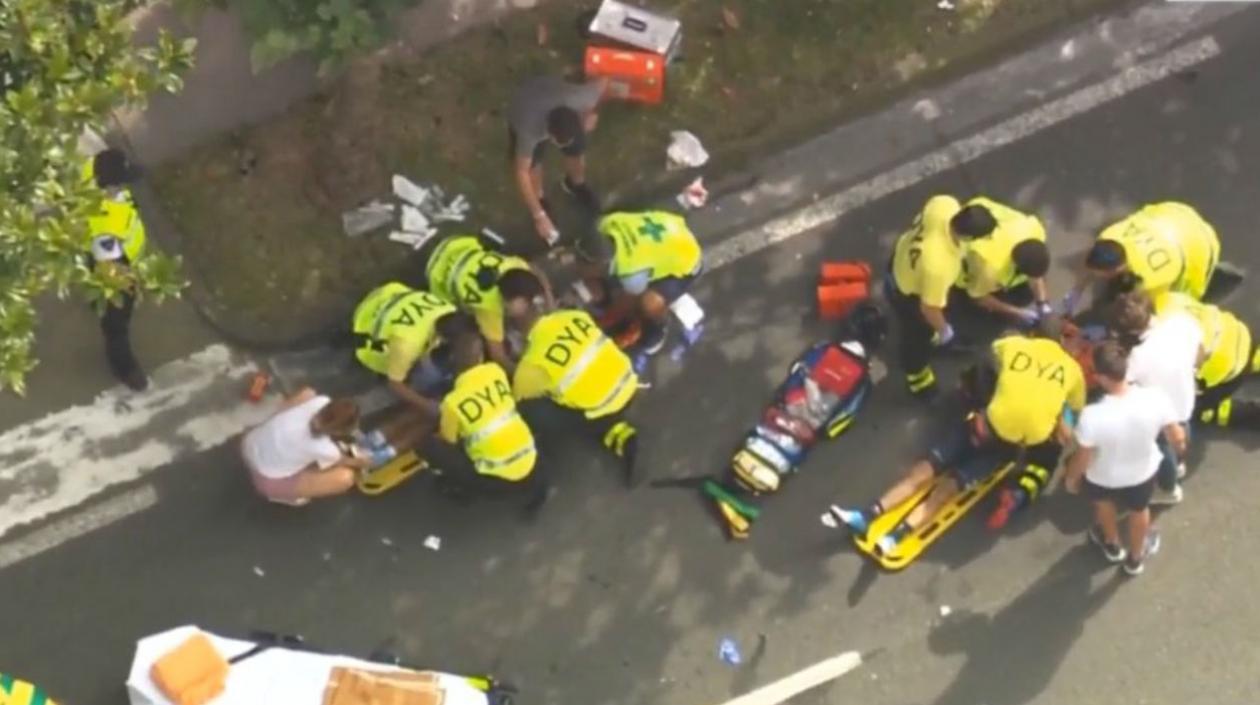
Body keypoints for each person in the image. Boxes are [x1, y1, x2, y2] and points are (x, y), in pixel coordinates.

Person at [825, 317, 1086, 551]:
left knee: (924, 470)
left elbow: (990, 357)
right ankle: (895, 537)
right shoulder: (1071, 370)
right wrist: (1059, 420)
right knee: (950, 487)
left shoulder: (1016, 346)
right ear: (1061, 341)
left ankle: (868, 514)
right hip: (1011, 443)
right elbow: (1074, 410)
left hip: (985, 423)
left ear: (1034, 335)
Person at [1063, 341, 1186, 576]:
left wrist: (1071, 480)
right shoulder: (1155, 398)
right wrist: (1179, 453)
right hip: (1142, 472)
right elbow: (1177, 436)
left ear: (1100, 377)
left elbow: (1082, 458)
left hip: (1102, 477)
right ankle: (1135, 559)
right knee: (1139, 510)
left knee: (1104, 505)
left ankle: (1112, 544)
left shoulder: (1092, 416)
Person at [511, 304, 641, 485]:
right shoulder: (573, 316)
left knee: (531, 411)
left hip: (601, 407)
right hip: (629, 384)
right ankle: (618, 435)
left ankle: (605, 429)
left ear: (518, 333)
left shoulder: (529, 366)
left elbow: (517, 398)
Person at [1107, 289, 1202, 506]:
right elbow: (1200, 350)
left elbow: (1123, 384)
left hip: (1159, 414)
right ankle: (1179, 464)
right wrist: (1191, 370)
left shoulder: (1137, 357)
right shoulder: (1182, 323)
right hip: (1185, 396)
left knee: (1162, 448)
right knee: (1184, 427)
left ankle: (1168, 488)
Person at [434, 334, 548, 514]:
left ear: (452, 361)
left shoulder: (452, 403)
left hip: (496, 480)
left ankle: (462, 491)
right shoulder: (495, 372)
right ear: (480, 355)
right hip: (532, 461)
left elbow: (449, 439)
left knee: (434, 448)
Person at [575, 209, 704, 355]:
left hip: (688, 260)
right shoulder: (605, 223)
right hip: (672, 232)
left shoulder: (630, 275)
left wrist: (601, 325)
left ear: (604, 265)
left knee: (648, 303)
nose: (580, 268)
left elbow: (628, 299)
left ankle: (658, 324)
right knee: (616, 293)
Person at [1066, 202, 1233, 313]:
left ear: (1119, 269)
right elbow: (1092, 266)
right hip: (1174, 215)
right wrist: (1075, 294)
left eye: (1101, 274)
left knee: (1180, 302)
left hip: (1198, 246)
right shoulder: (1110, 235)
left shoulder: (1148, 280)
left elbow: (1147, 308)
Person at [424, 234, 555, 370]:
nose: (529, 306)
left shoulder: (515, 266)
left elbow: (535, 271)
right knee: (471, 332)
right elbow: (498, 356)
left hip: (457, 245)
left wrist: (551, 305)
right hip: (437, 273)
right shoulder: (489, 309)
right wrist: (524, 372)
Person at [507, 75, 608, 245]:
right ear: (550, 134)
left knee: (577, 150)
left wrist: (593, 112)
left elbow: (605, 82)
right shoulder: (529, 130)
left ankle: (576, 184)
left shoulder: (579, 98)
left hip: (553, 92)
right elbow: (521, 171)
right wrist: (538, 215)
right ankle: (540, 199)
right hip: (526, 105)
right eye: (559, 142)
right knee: (534, 164)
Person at [884, 195, 967, 399]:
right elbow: (928, 308)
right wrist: (945, 331)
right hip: (907, 295)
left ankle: (933, 339)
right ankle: (917, 379)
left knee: (937, 313)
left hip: (900, 262)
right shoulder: (939, 266)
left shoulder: (944, 205)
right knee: (915, 339)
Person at [351, 282, 479, 412]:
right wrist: (429, 406)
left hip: (387, 293)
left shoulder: (448, 308)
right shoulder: (407, 345)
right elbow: (395, 384)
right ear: (445, 339)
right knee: (425, 379)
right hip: (366, 329)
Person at [83, 148, 150, 391]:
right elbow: (111, 269)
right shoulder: (107, 225)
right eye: (122, 182)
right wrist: (130, 284)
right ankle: (124, 366)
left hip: (104, 253)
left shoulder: (91, 171)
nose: (125, 186)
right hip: (114, 267)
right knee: (116, 321)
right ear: (109, 188)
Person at [241, 388, 366, 506]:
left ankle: (272, 426)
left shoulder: (320, 400)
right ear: (339, 432)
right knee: (346, 478)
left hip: (249, 444)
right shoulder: (327, 450)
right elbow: (346, 461)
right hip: (265, 480)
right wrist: (365, 462)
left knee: (308, 392)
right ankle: (283, 495)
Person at [952, 198, 1053, 325]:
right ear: (1016, 265)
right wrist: (1018, 312)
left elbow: (1036, 274)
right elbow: (979, 297)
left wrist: (1042, 303)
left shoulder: (1034, 228)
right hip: (965, 229)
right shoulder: (988, 266)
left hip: (982, 208)